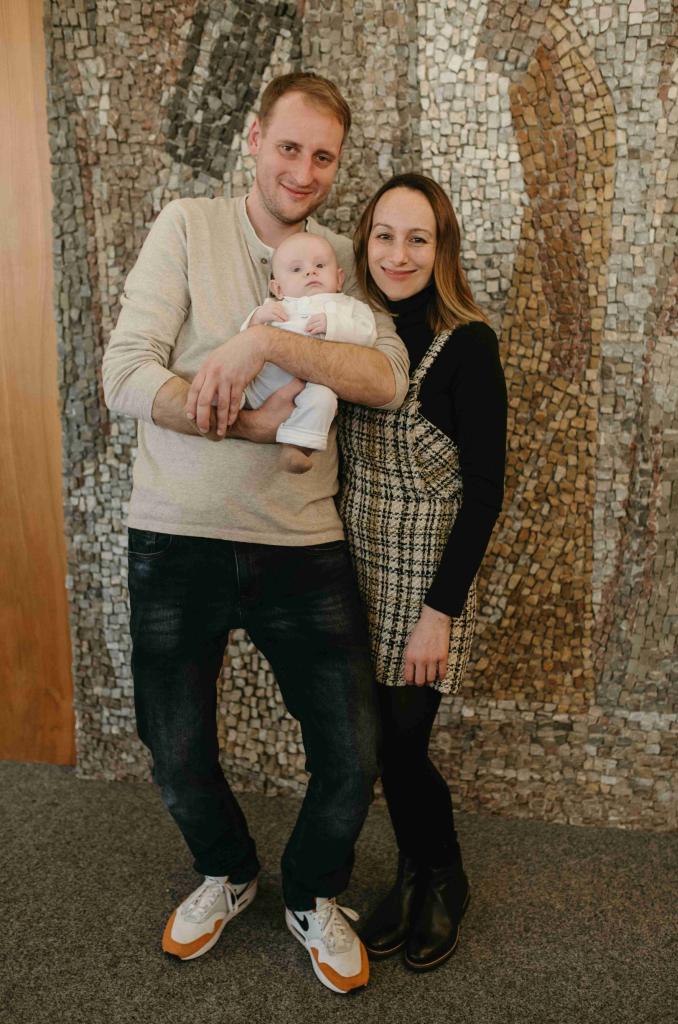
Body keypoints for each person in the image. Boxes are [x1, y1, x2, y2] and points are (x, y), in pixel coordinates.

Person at [102, 72, 409, 995]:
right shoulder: (187, 227)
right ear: (252, 138)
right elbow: (126, 376)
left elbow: (386, 375)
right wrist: (254, 425)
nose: (304, 172)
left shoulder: (336, 258)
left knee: (353, 751)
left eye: (324, 157)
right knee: (174, 747)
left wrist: (265, 343)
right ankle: (228, 871)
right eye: (289, 147)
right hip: (175, 534)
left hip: (302, 542)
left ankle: (311, 892)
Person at [337, 173, 507, 971]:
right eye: (384, 236)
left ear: (442, 250)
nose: (398, 254)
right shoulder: (350, 332)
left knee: (404, 745)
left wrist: (440, 612)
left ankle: (444, 875)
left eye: (418, 238)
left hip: (422, 586)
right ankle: (411, 876)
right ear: (364, 242)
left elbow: (485, 491)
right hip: (351, 566)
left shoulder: (467, 345)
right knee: (374, 746)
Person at [241, 232, 377, 473]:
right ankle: (222, 406)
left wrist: (334, 325)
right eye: (297, 269)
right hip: (260, 383)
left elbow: (367, 334)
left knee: (325, 400)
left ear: (339, 279)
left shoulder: (348, 307)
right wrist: (256, 318)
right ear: (277, 288)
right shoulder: (275, 307)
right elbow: (243, 344)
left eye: (320, 266)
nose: (310, 272)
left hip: (311, 386)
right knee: (233, 378)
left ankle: (296, 447)